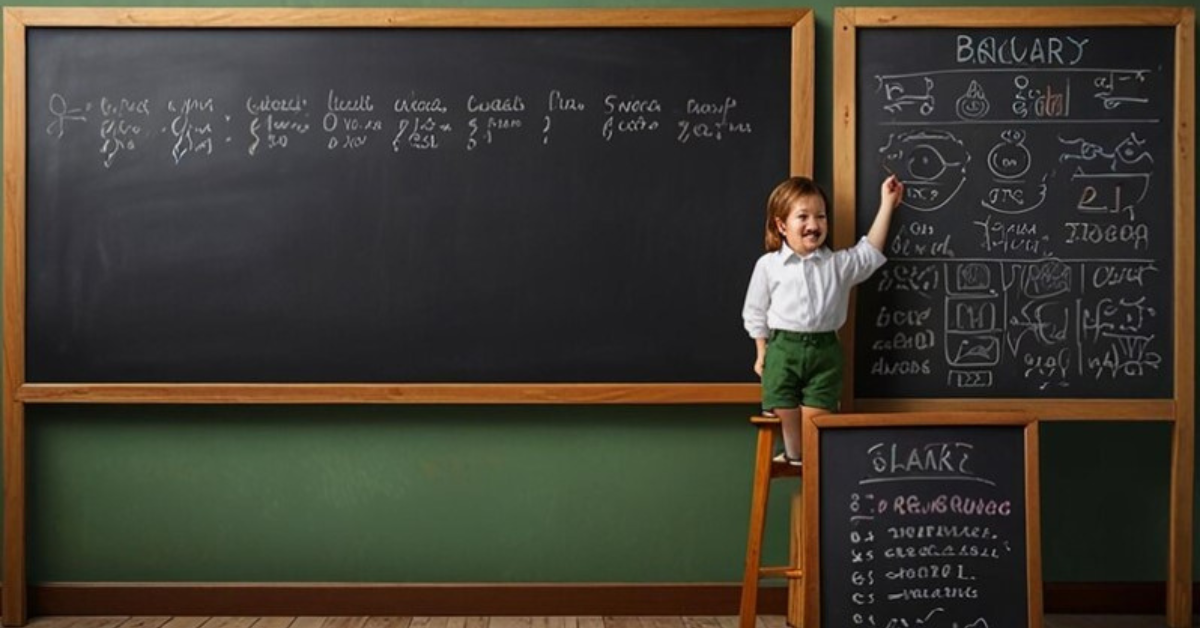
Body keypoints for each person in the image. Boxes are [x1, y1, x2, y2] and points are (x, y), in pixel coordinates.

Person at [742, 174, 904, 465]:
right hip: (783, 348)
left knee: (816, 415)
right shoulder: (768, 266)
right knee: (781, 400)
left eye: (820, 216)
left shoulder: (837, 265)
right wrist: (761, 350)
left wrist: (887, 204)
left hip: (825, 350)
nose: (813, 224)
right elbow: (755, 311)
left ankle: (810, 460)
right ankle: (793, 454)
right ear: (781, 225)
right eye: (802, 216)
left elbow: (870, 253)